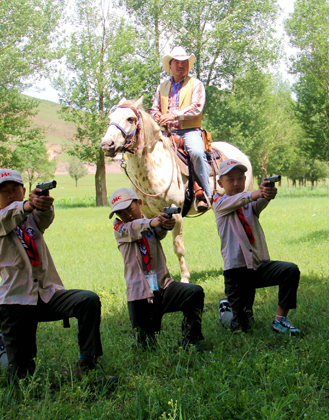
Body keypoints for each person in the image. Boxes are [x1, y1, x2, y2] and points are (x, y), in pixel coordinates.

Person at [0, 169, 111, 381]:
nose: (10, 194)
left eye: (15, 188)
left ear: (24, 190)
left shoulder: (31, 217)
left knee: (87, 300)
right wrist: (25, 205)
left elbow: (44, 217)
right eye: (3, 191)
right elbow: (6, 217)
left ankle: (87, 364)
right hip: (16, 301)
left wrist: (43, 204)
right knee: (19, 376)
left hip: (45, 294)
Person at [213, 159, 301, 335]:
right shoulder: (219, 204)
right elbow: (244, 198)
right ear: (220, 183)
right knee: (242, 327)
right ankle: (225, 311)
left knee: (290, 271)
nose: (237, 183)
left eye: (240, 178)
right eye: (230, 180)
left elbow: (259, 200)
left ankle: (280, 321)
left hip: (257, 266)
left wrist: (267, 192)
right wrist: (257, 193)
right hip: (236, 273)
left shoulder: (249, 203)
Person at [109, 188, 204, 349]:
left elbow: (158, 231)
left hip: (163, 286)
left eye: (129, 209)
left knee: (194, 293)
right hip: (140, 294)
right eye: (122, 213)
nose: (127, 215)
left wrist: (166, 223)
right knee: (145, 346)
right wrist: (154, 222)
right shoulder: (120, 228)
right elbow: (136, 227)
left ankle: (191, 340)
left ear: (139, 203)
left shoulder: (149, 223)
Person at [150, 46, 211, 210]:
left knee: (197, 153)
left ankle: (206, 194)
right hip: (166, 132)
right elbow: (154, 108)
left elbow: (196, 107)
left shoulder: (196, 84)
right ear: (170, 65)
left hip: (189, 131)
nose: (180, 65)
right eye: (176, 62)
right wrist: (158, 117)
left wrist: (174, 115)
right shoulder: (161, 87)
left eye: (184, 62)